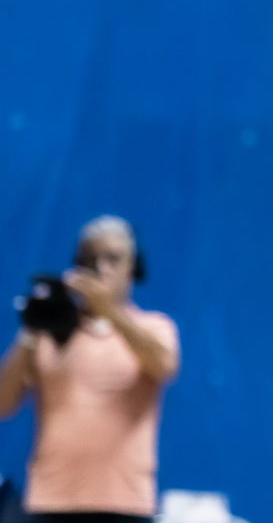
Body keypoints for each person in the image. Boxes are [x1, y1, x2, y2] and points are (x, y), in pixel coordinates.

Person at [0, 215, 180, 523]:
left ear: (133, 268)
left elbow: (163, 366)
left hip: (125, 505)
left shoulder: (154, 327)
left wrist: (110, 312)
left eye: (113, 259)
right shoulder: (50, 334)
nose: (101, 268)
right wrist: (30, 333)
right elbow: (3, 404)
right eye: (89, 259)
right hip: (50, 503)